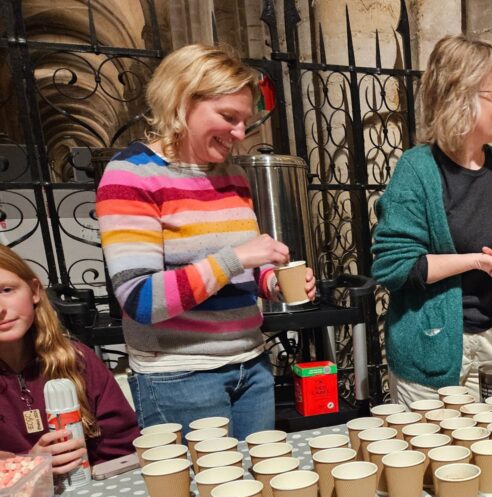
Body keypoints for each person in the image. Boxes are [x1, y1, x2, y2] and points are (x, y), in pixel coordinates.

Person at [97, 44, 314, 439]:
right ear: (182, 101)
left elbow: (240, 274)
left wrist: (270, 281)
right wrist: (236, 257)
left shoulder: (230, 176)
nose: (239, 133)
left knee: (255, 490)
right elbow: (140, 299)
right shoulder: (132, 174)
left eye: (244, 121)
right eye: (228, 117)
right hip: (179, 376)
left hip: (252, 364)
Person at [371, 36, 492, 403]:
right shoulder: (418, 169)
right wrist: (476, 262)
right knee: (428, 459)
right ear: (461, 94)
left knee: (491, 456)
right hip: (429, 351)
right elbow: (394, 266)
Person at [0, 246, 138, 474]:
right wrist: (27, 467)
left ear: (34, 291)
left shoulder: (78, 360)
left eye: (7, 290)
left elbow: (123, 447)